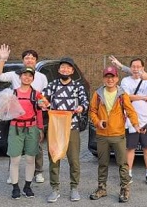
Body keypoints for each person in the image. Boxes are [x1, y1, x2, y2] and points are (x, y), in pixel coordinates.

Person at [0, 45, 49, 184]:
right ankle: (12, 175)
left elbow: (44, 98)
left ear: (36, 60)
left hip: (34, 116)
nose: (29, 60)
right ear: (23, 60)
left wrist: (41, 121)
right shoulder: (14, 74)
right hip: (16, 117)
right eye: (27, 57)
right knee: (14, 150)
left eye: (32, 58)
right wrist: (2, 60)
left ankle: (38, 172)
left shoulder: (41, 77)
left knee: (36, 147)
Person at [89, 66, 141, 203]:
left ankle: (125, 189)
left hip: (118, 135)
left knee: (122, 163)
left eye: (112, 77)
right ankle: (101, 188)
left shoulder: (122, 95)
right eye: (107, 76)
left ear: (117, 78)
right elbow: (92, 111)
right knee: (102, 163)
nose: (110, 79)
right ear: (103, 79)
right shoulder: (97, 94)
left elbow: (130, 111)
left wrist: (136, 125)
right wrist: (97, 122)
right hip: (102, 135)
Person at [42, 57, 88, 203]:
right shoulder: (53, 84)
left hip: (72, 126)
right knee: (54, 158)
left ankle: (74, 188)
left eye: (68, 68)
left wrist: (81, 107)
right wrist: (44, 103)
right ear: (59, 69)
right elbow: (42, 98)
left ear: (72, 71)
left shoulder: (77, 86)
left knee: (74, 160)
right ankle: (55, 189)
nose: (65, 70)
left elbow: (85, 102)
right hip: (55, 127)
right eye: (62, 67)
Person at [7, 67, 48, 199]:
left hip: (32, 127)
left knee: (31, 159)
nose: (27, 77)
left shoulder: (37, 94)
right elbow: (4, 111)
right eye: (24, 75)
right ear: (20, 77)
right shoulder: (12, 93)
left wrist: (40, 128)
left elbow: (41, 110)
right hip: (16, 127)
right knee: (15, 159)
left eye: (30, 76)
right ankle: (15, 187)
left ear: (33, 78)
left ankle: (27, 186)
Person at [120, 58, 147, 186]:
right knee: (130, 147)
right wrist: (144, 97)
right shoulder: (126, 81)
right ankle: (128, 173)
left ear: (143, 67)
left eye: (138, 66)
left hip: (146, 119)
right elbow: (126, 97)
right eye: (133, 66)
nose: (136, 69)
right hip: (131, 119)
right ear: (130, 68)